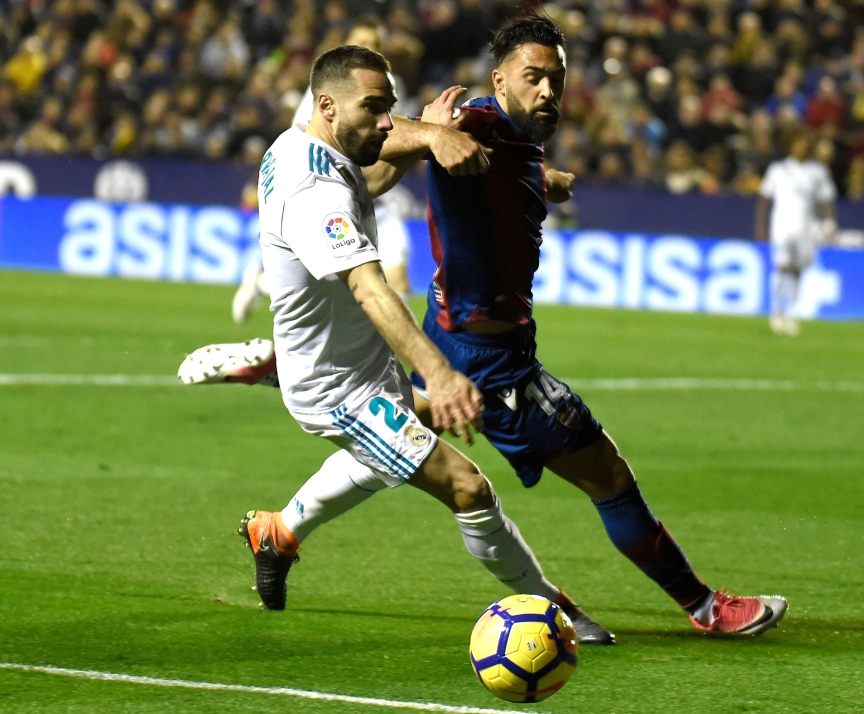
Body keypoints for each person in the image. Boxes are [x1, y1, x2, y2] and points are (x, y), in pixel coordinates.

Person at [182, 16, 787, 637]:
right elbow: (393, 188)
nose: (549, 90)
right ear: (501, 79)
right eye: (534, 78)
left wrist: (532, 176)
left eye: (557, 78)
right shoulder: (459, 125)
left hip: (419, 342)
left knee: (390, 444)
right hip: (485, 361)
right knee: (592, 479)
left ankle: (279, 522)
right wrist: (432, 135)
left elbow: (380, 155)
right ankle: (693, 608)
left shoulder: (467, 141)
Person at [234, 44, 613, 644]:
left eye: (392, 107)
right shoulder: (314, 195)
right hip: (337, 387)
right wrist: (436, 371)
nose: (388, 122)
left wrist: (423, 137)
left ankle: (277, 531)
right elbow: (369, 289)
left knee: (388, 455)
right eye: (375, 107)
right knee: (468, 486)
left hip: (357, 363)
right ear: (327, 105)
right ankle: (550, 610)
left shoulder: (302, 144)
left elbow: (374, 177)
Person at [231, 20, 413, 324]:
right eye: (361, 42)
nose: (369, 49)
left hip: (376, 200)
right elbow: (302, 138)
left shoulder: (393, 87)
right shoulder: (330, 89)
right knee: (336, 289)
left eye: (375, 44)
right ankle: (262, 282)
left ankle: (392, 358)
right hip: (334, 195)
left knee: (398, 283)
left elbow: (392, 137)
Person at [756, 131, 837, 336]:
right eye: (797, 143)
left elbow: (825, 199)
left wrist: (829, 223)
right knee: (781, 265)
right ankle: (775, 311)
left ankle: (791, 313)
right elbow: (765, 199)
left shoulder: (817, 171)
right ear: (790, 145)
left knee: (798, 269)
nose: (801, 147)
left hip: (805, 227)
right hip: (781, 225)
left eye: (804, 143)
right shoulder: (778, 169)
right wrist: (761, 226)